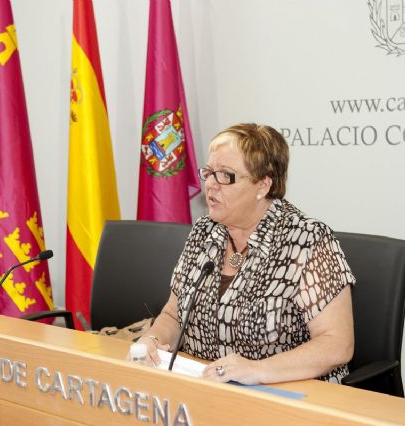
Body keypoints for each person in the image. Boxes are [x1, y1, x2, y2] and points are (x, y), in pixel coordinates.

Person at [138, 123, 355, 384]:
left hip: (289, 394)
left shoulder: (307, 239)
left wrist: (258, 370)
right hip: (205, 389)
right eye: (209, 173)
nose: (211, 184)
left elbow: (337, 345)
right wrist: (152, 340)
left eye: (225, 176)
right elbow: (174, 315)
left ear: (262, 185)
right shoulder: (204, 231)